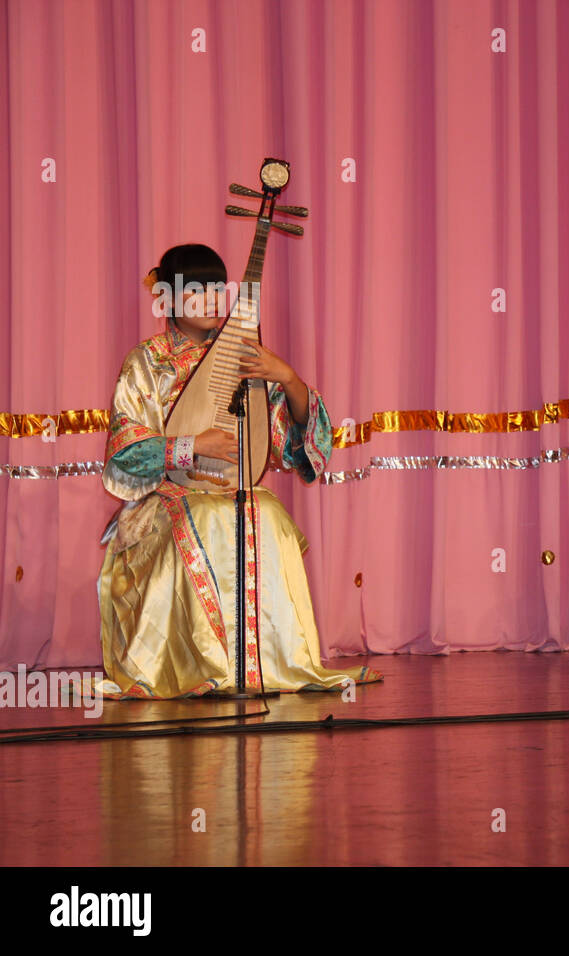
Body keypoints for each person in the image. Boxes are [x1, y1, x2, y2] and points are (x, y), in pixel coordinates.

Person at [97, 243, 381, 698]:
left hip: (234, 490)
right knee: (207, 518)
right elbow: (125, 455)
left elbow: (293, 449)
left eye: (216, 289)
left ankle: (269, 664)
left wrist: (286, 377)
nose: (210, 300)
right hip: (167, 499)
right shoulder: (145, 362)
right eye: (195, 291)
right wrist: (189, 446)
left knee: (269, 516)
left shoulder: (244, 358)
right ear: (168, 299)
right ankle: (205, 667)